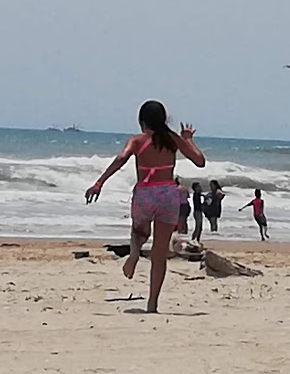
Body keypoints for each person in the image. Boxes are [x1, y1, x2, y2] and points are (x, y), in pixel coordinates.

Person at [84, 100, 205, 313]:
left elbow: (121, 158)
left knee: (139, 232)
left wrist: (99, 182)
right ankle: (152, 304)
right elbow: (199, 161)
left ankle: (134, 254)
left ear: (142, 121)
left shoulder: (138, 140)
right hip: (168, 193)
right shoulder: (171, 139)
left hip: (145, 193)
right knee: (160, 252)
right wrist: (187, 139)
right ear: (163, 119)